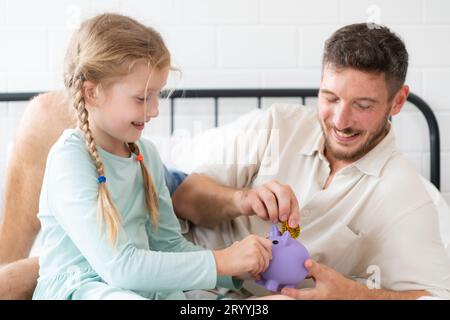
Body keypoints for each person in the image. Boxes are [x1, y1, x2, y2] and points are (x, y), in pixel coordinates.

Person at [170, 23, 450, 299]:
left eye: (362, 105)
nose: (340, 121)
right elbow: (182, 198)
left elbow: (435, 297)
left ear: (398, 101)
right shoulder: (277, 124)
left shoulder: (401, 191)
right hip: (180, 269)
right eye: (330, 98)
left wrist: (355, 295)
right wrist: (242, 200)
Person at [22, 13, 281, 300]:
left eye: (157, 95)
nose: (155, 109)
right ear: (92, 93)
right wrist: (222, 259)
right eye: (142, 98)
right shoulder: (70, 159)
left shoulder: (146, 156)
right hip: (84, 290)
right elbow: (119, 267)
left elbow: (169, 246)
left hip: (139, 288)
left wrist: (236, 270)